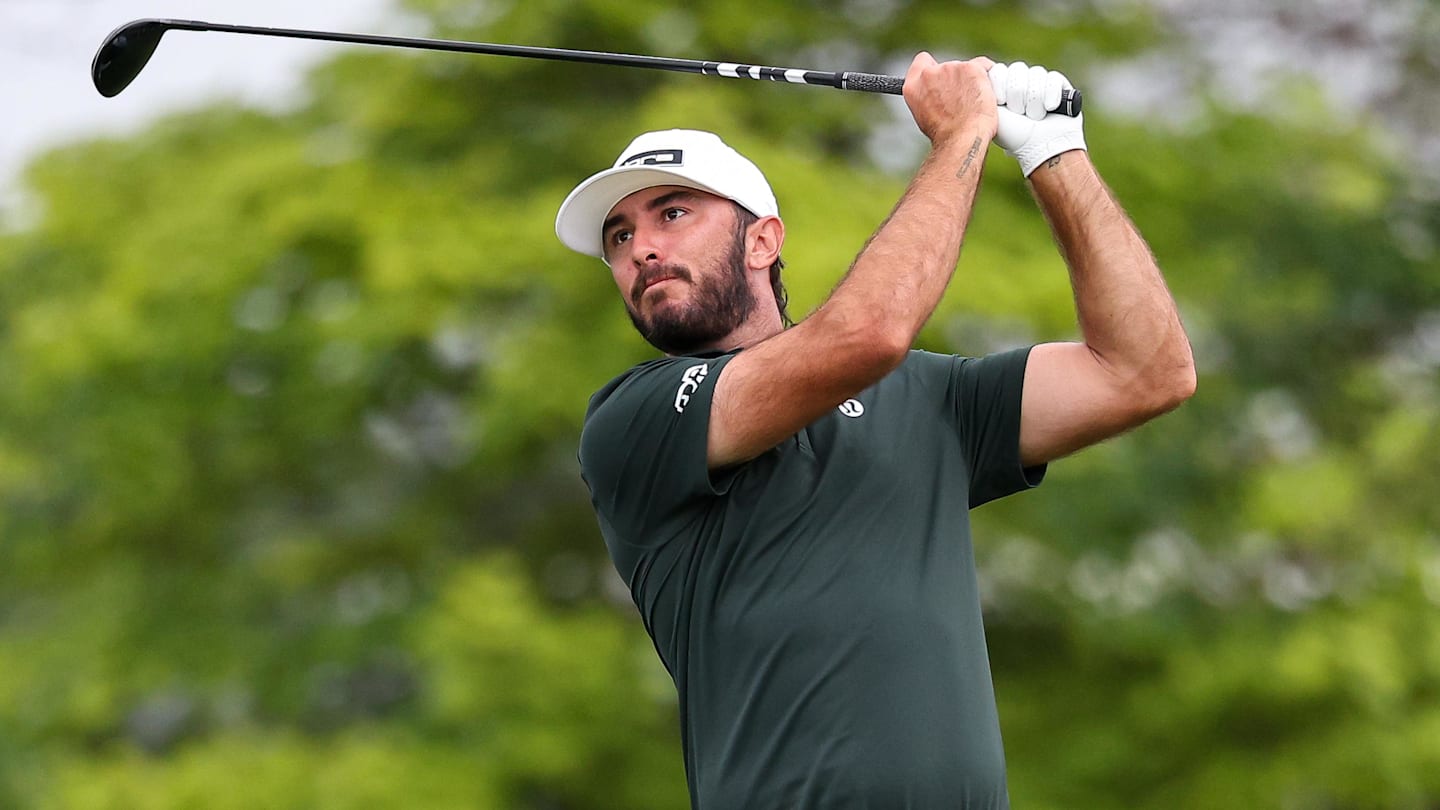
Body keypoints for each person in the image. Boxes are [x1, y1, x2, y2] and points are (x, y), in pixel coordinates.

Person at [553, 53, 1195, 810]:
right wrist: (963, 134)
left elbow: (1146, 372)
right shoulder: (634, 419)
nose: (641, 249)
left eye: (672, 213)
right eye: (618, 237)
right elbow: (866, 337)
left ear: (762, 242)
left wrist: (1055, 153)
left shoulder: (930, 397)